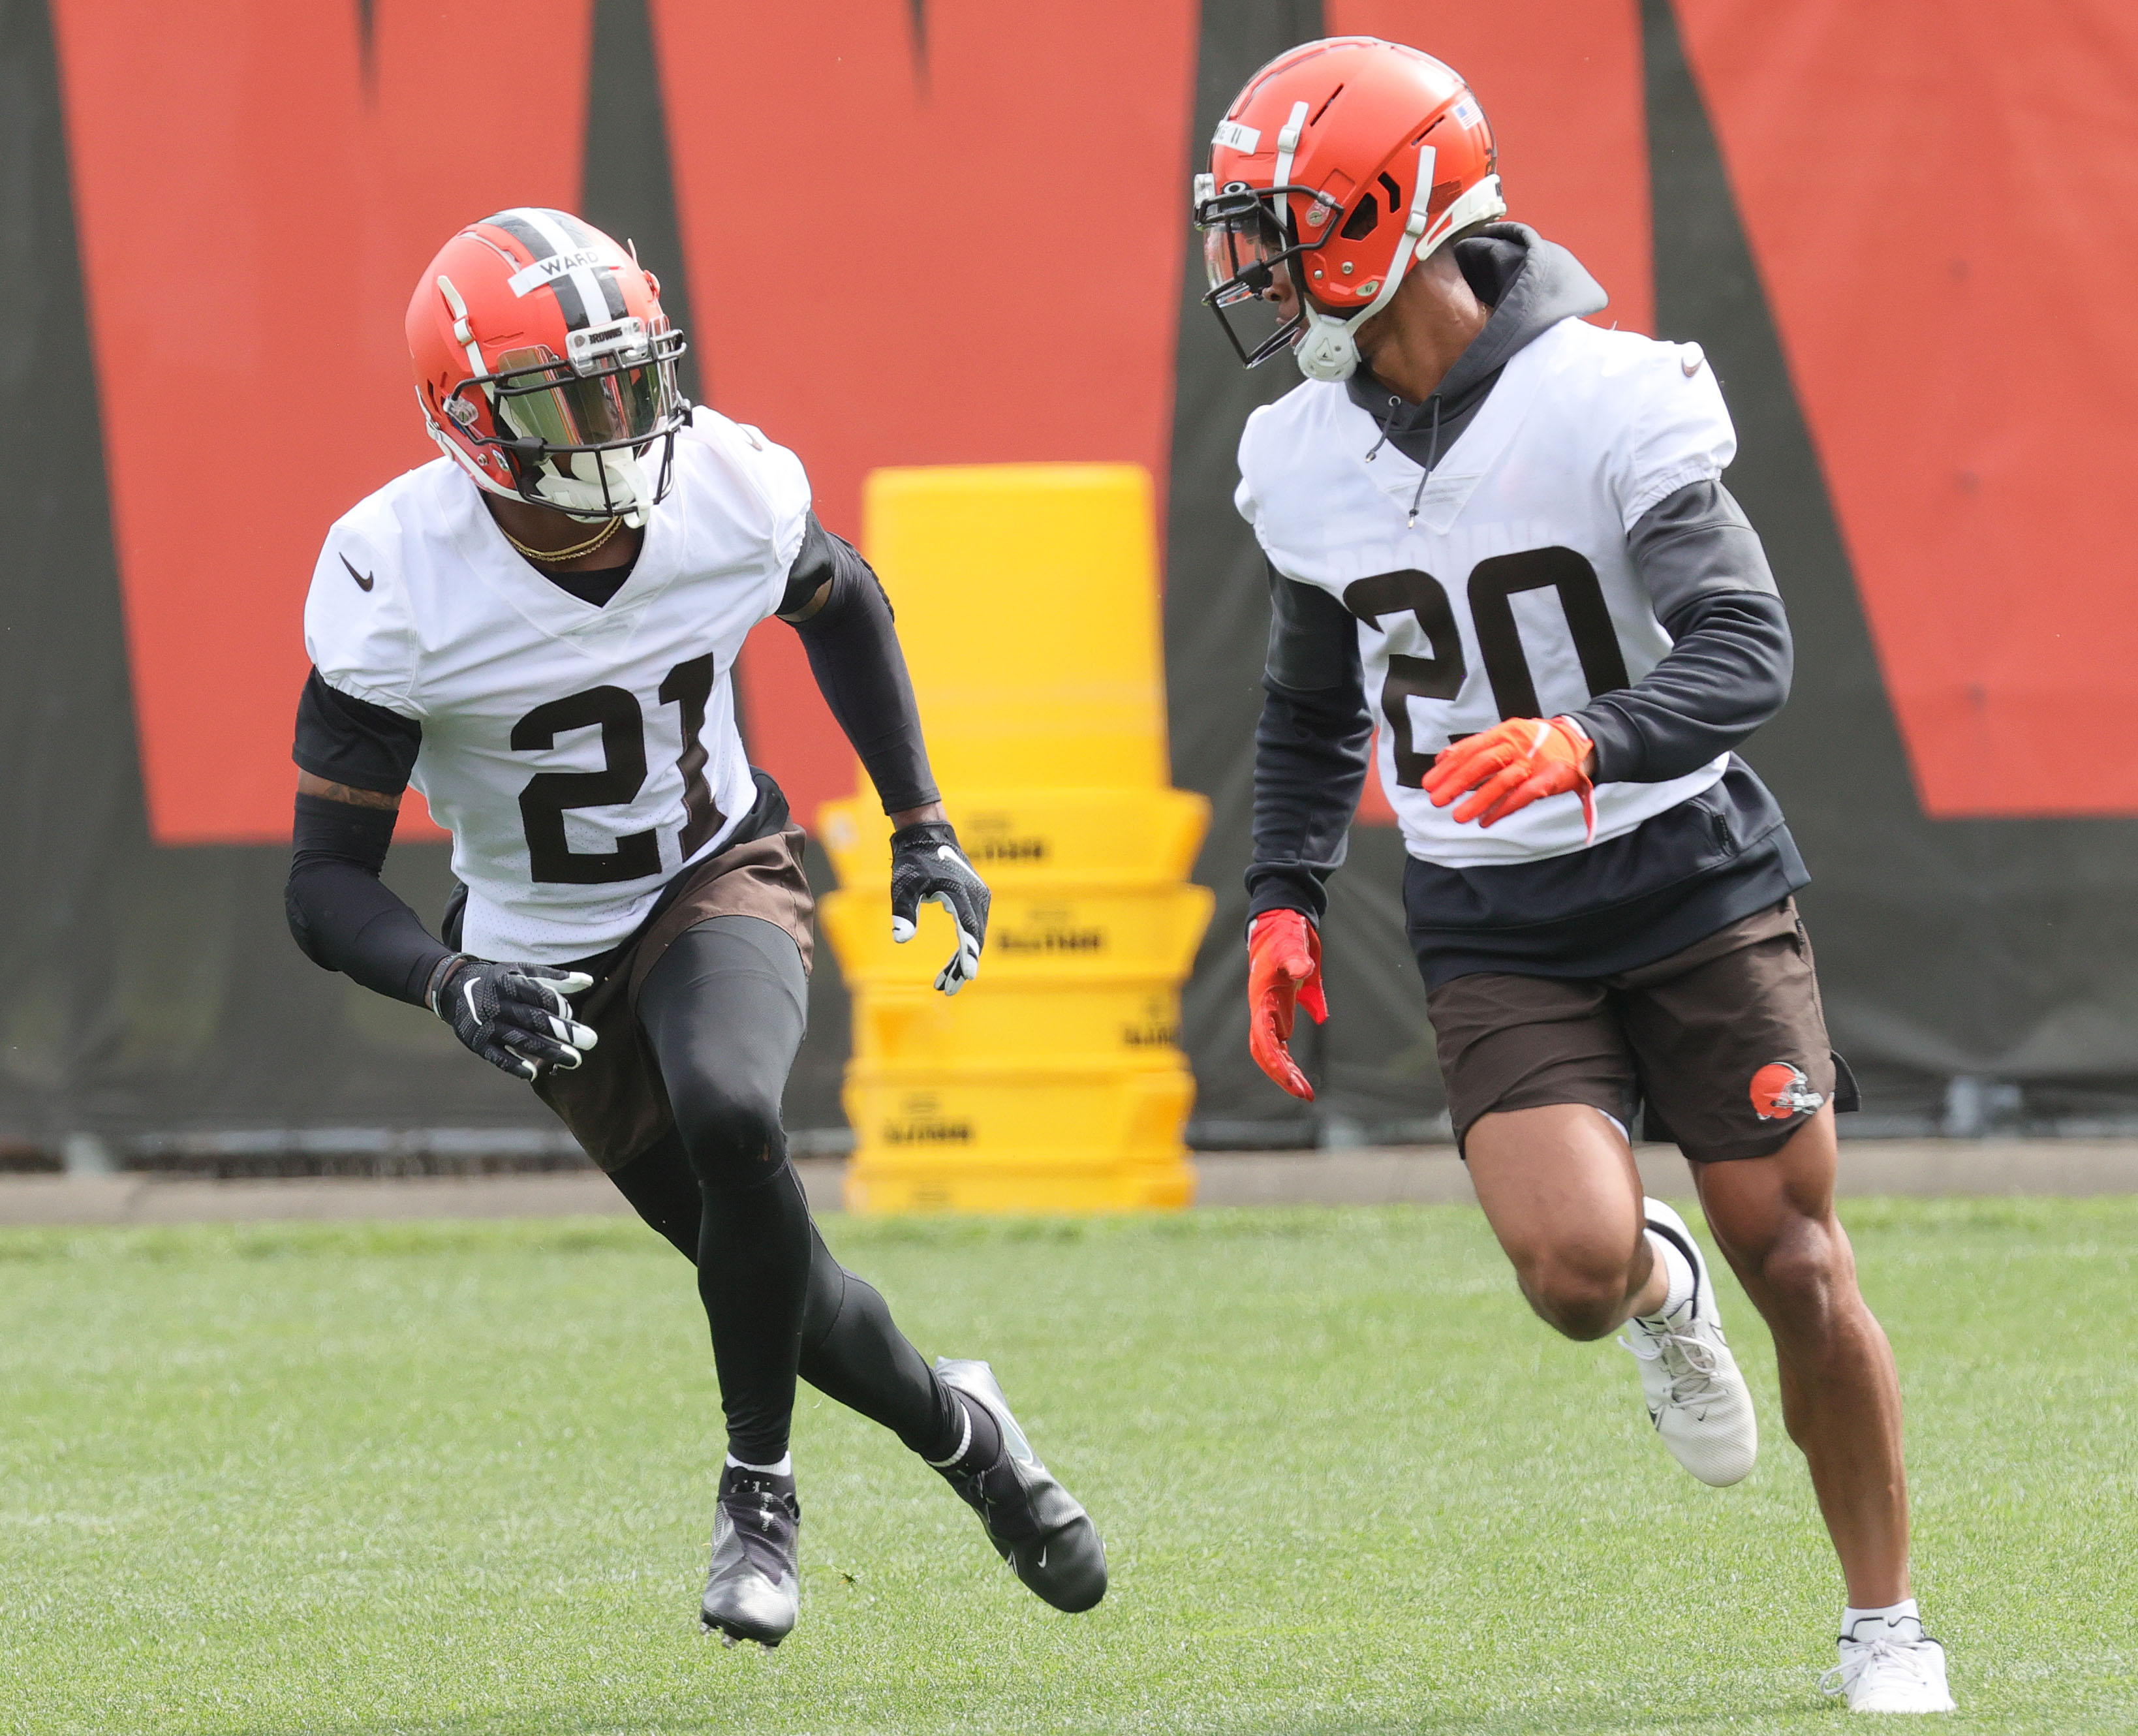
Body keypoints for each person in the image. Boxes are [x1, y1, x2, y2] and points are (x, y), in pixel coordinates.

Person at [1197, 40, 1951, 1714]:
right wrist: (1284, 893)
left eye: (1281, 225)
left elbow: (1747, 645)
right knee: (1572, 1276)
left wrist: (1591, 741)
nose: (1249, 265)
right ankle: (1655, 1287)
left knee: (1803, 1258)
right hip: (1490, 904)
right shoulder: (1303, 453)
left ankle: (1887, 1626)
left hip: (1685, 868)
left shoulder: (1608, 392)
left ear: (1394, 211)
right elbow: (1315, 699)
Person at [282, 208, 1105, 1649]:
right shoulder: (394, 574)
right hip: (538, 948)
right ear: (468, 423)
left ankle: (757, 1493)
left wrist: (921, 822)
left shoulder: (721, 483)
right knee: (783, 1283)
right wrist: (452, 979)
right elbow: (324, 886)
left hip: (720, 869)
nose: (610, 420)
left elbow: (846, 605)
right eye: (561, 397)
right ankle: (965, 1430)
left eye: (622, 376)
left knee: (735, 1111)